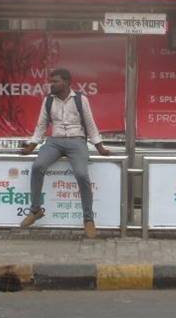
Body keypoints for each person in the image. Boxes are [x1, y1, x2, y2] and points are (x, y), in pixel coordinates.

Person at [19, 68, 110, 238]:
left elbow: (90, 124)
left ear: (67, 82)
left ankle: (88, 219)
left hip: (77, 141)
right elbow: (42, 125)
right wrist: (32, 146)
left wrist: (100, 147)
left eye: (55, 81)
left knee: (82, 174)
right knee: (38, 166)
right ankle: (35, 210)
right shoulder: (48, 100)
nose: (51, 84)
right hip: (54, 142)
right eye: (50, 81)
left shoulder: (80, 99)